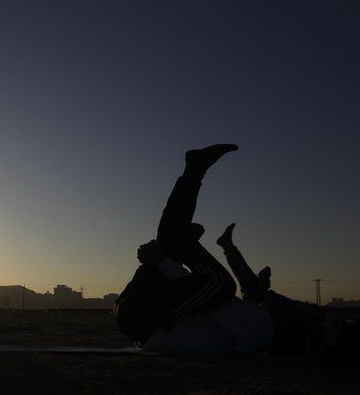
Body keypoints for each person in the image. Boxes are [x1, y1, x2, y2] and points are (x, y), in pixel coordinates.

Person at [113, 144, 274, 354]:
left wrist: (163, 262)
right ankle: (194, 174)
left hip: (144, 315)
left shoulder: (259, 325)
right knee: (170, 242)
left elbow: (212, 294)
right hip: (138, 315)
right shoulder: (251, 326)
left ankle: (194, 173)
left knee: (222, 284)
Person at [216, 223, 324, 353]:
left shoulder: (311, 320)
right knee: (250, 285)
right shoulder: (311, 318)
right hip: (268, 315)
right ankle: (228, 247)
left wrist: (264, 293)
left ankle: (229, 248)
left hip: (266, 323)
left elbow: (276, 327)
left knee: (251, 286)